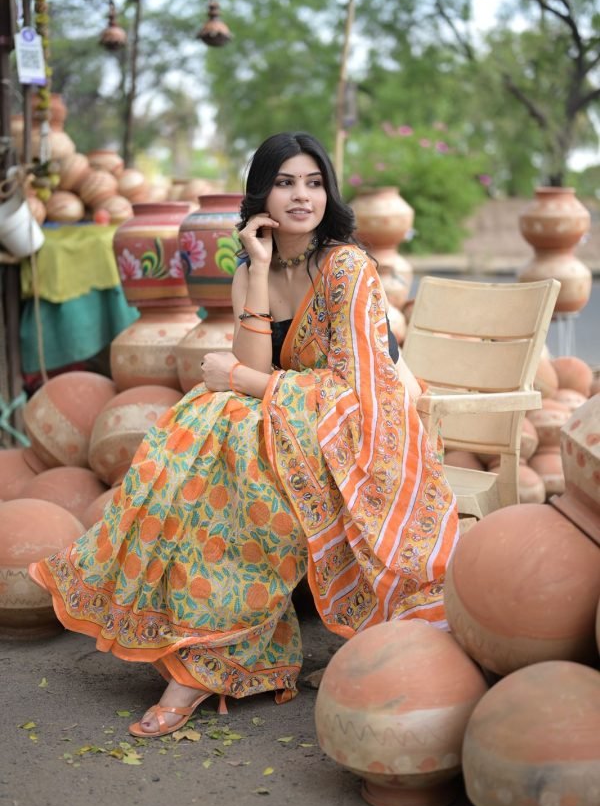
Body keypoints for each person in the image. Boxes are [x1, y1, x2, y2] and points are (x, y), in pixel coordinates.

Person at [29, 131, 458, 739]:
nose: (301, 196)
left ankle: (200, 667)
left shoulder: (348, 268)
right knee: (211, 424)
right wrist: (257, 273)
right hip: (294, 417)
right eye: (285, 183)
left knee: (228, 428)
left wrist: (241, 379)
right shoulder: (253, 267)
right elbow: (254, 363)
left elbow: (356, 390)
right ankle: (203, 643)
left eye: (313, 182)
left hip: (359, 428)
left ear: (329, 192)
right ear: (262, 194)